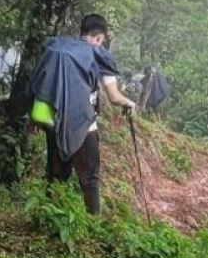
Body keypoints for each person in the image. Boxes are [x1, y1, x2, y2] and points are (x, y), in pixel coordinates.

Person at [27, 13, 138, 214]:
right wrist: (128, 102)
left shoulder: (59, 49)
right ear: (98, 37)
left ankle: (50, 217)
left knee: (56, 175)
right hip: (84, 127)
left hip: (54, 122)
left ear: (82, 33)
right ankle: (93, 223)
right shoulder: (97, 55)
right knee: (90, 179)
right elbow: (113, 96)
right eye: (101, 40)